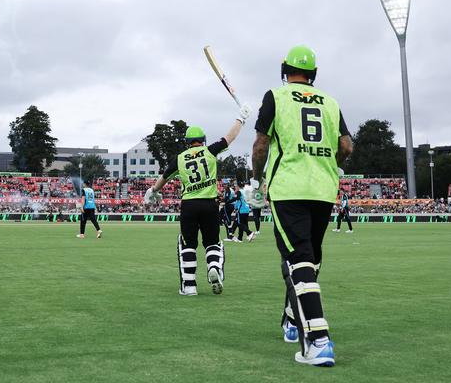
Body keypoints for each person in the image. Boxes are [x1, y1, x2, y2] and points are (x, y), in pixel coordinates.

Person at [249, 45, 352, 366]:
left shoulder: (275, 96)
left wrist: (256, 180)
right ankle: (293, 320)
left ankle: (318, 341)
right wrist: (332, 162)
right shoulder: (331, 102)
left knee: (298, 259)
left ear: (285, 70)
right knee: (308, 257)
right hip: (323, 189)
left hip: (288, 187)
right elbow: (347, 145)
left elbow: (260, 144)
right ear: (314, 74)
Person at [145, 105, 252, 296]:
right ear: (202, 141)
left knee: (188, 244)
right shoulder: (210, 151)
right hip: (210, 204)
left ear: (187, 143)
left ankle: (189, 286)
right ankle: (213, 266)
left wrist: (152, 190)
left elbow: (164, 178)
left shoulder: (179, 159)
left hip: (189, 206)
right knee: (212, 243)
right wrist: (241, 119)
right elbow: (230, 137)